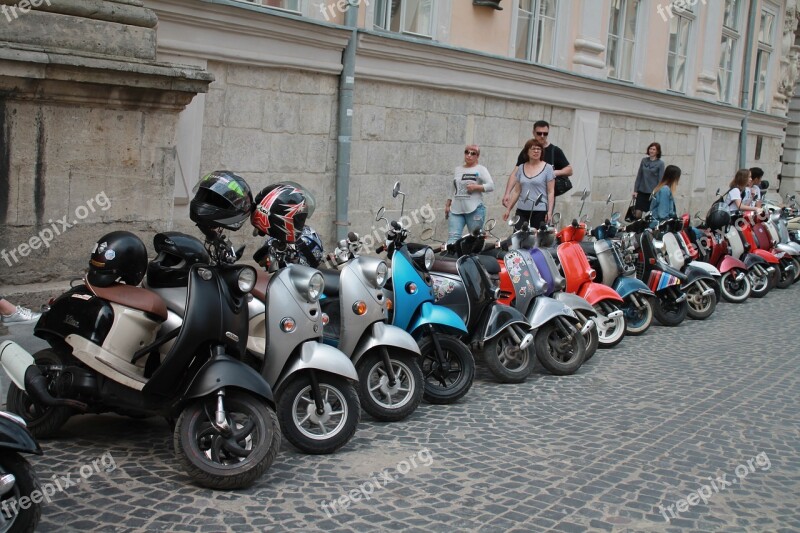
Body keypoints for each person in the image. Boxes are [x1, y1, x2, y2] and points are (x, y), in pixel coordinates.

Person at [502, 120, 572, 208]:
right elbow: (515, 173)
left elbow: (569, 170)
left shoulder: (555, 151)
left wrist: (553, 172)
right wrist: (507, 193)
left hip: (545, 200)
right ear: (534, 133)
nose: (542, 136)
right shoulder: (527, 151)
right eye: (539, 133)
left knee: (543, 221)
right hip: (526, 199)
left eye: (545, 134)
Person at [445, 145, 494, 244]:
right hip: (456, 209)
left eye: (473, 153)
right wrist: (448, 204)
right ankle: (452, 258)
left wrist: (476, 187)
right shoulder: (458, 169)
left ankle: (473, 259)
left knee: (474, 239)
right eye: (467, 152)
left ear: (477, 156)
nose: (469, 155)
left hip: (474, 209)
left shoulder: (481, 169)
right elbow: (453, 188)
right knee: (452, 239)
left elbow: (491, 186)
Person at [502, 138, 554, 230]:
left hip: (540, 210)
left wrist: (549, 212)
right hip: (522, 210)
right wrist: (508, 209)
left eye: (539, 149)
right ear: (527, 152)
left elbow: (550, 192)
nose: (536, 151)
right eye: (533, 149)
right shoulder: (521, 167)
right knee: (518, 237)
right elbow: (517, 191)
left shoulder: (548, 168)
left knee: (535, 240)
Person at [632, 142, 665, 220]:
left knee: (649, 217)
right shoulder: (644, 160)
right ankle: (638, 230)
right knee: (637, 214)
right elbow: (639, 176)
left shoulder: (660, 163)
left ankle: (645, 231)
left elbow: (660, 180)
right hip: (641, 191)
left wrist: (657, 193)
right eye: (650, 148)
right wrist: (635, 191)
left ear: (657, 151)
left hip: (652, 194)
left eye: (654, 149)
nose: (651, 151)